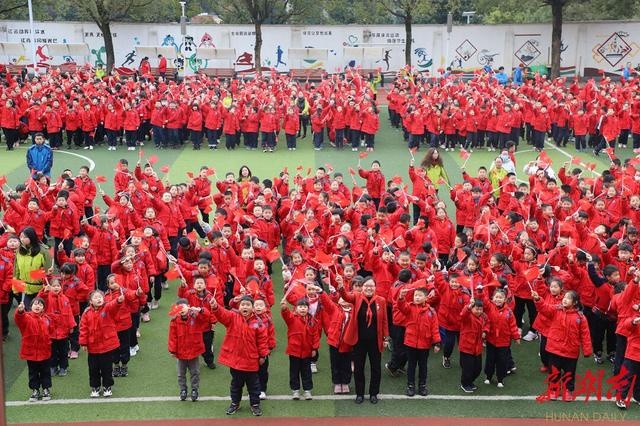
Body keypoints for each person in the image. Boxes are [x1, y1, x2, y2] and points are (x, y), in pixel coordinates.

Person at [209, 295, 268, 417]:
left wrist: (262, 355)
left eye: (248, 305)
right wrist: (215, 306)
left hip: (251, 362)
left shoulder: (258, 323)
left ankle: (255, 404)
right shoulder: (233, 317)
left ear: (253, 308)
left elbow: (262, 341)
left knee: (254, 386)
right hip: (235, 361)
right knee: (236, 385)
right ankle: (235, 403)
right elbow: (222, 314)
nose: (245, 307)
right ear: (239, 306)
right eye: (243, 304)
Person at [533, 290, 592, 401]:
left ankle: (568, 390)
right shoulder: (556, 310)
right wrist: (538, 299)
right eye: (564, 297)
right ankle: (553, 390)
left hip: (571, 351)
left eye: (568, 298)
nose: (564, 299)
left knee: (569, 373)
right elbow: (544, 308)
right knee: (554, 372)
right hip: (554, 349)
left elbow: (585, 335)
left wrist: (587, 350)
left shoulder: (580, 318)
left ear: (575, 302)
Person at [339, 277, 389, 404]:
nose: (369, 288)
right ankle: (360, 394)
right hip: (359, 341)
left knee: (376, 368)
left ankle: (373, 393)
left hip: (375, 341)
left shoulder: (381, 300)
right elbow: (345, 297)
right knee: (358, 368)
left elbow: (384, 321)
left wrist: (386, 337)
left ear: (375, 287)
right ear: (362, 287)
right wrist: (340, 286)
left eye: (371, 286)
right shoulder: (356, 297)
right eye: (366, 286)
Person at [395, 286, 441, 397]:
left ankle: (422, 385)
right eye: (415, 295)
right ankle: (410, 385)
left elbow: (434, 328)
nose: (417, 297)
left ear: (426, 298)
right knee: (411, 365)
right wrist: (401, 297)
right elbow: (401, 306)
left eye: (420, 295)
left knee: (423, 366)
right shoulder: (409, 307)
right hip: (410, 343)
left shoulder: (431, 312)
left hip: (424, 344)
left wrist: (437, 342)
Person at [79, 290, 124, 398]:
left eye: (100, 297)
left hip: (107, 346)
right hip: (93, 347)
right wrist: (83, 343)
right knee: (93, 369)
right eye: (96, 297)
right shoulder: (86, 313)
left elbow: (113, 305)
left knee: (107, 368)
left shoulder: (107, 308)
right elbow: (83, 328)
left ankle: (107, 387)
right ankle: (95, 387)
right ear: (90, 301)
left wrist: (118, 300)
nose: (99, 299)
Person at [168, 297, 210, 401]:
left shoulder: (196, 317)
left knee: (195, 372)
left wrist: (200, 310)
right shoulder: (174, 321)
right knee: (180, 374)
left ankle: (195, 389)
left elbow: (206, 317)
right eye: (179, 308)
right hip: (181, 353)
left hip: (194, 351)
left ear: (189, 307)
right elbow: (172, 337)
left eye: (183, 307)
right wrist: (172, 350)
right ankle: (183, 390)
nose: (181, 309)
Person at [281, 296, 320, 400]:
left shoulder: (313, 321)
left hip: (307, 351)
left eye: (305, 307)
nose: (303, 309)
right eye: (300, 307)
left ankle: (307, 391)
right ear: (296, 308)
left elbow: (316, 335)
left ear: (308, 308)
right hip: (294, 351)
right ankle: (295, 390)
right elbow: (286, 315)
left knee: (306, 372)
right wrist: (284, 308)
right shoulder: (292, 318)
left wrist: (314, 348)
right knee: (294, 372)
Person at [15, 297, 52, 402]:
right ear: (30, 306)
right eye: (35, 304)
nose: (37, 306)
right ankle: (35, 390)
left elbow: (51, 331)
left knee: (45, 371)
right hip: (31, 352)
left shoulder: (47, 319)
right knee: (33, 372)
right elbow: (19, 319)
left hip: (45, 351)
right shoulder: (26, 317)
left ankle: (46, 389)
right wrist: (20, 311)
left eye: (40, 305)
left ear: (43, 308)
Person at [459, 299, 489, 393]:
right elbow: (463, 315)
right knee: (468, 368)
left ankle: (470, 381)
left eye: (481, 309)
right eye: (477, 309)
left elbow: (488, 323)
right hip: (467, 347)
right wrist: (468, 306)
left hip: (477, 348)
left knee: (477, 368)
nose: (479, 311)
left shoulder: (483, 317)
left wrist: (485, 331)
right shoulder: (467, 317)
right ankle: (465, 384)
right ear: (472, 308)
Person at [14, 227, 46, 309]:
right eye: (20, 237)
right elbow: (16, 271)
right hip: (25, 289)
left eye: (25, 237)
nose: (22, 239)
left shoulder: (43, 251)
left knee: (38, 312)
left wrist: (33, 275)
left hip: (40, 290)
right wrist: (16, 288)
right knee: (27, 313)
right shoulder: (19, 252)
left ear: (31, 237)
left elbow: (48, 272)